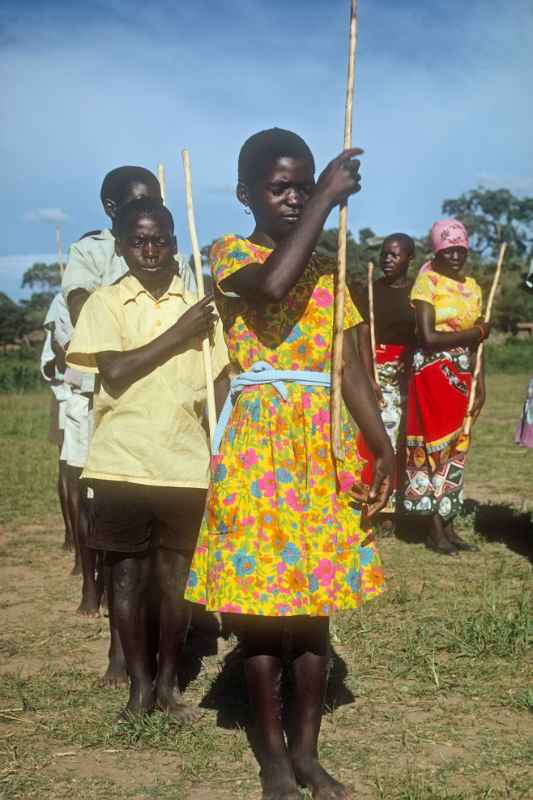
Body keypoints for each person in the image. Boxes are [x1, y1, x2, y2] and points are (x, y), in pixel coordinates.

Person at [185, 128, 394, 800]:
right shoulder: (229, 255)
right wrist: (330, 202)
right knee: (260, 615)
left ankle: (306, 753)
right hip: (256, 452)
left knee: (313, 613)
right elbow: (273, 289)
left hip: (318, 454)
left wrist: (379, 441)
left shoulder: (330, 274)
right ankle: (271, 759)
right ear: (246, 194)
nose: (295, 197)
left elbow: (349, 368)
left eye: (305, 184)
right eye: (280, 186)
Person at [67, 198, 229, 719]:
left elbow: (220, 380)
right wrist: (179, 332)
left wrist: (218, 436)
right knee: (127, 580)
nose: (151, 250)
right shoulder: (105, 303)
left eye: (160, 239)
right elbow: (114, 372)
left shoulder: (201, 305)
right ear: (121, 247)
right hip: (122, 463)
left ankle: (166, 684)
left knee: (175, 582)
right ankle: (137, 688)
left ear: (175, 244)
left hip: (184, 465)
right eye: (138, 241)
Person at [403, 219, 490, 554]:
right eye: (448, 249)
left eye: (460, 249)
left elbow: (478, 348)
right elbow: (427, 337)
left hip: (463, 376)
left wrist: (480, 383)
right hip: (431, 374)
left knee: (457, 449)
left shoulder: (475, 287)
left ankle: (449, 523)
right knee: (432, 449)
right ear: (437, 251)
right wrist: (477, 333)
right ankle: (432, 528)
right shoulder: (427, 282)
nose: (455, 255)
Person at [354, 234, 417, 534]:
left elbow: (422, 334)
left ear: (410, 259)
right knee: (376, 437)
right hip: (376, 373)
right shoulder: (370, 292)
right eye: (384, 254)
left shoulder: (418, 295)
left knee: (403, 438)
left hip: (406, 374)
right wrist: (368, 377)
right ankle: (378, 506)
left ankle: (401, 504)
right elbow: (363, 336)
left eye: (395, 255)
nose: (388, 259)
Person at [40, 293, 74, 553]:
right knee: (66, 468)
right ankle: (70, 532)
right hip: (63, 396)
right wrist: (60, 350)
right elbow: (51, 365)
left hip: (90, 396)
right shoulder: (61, 300)